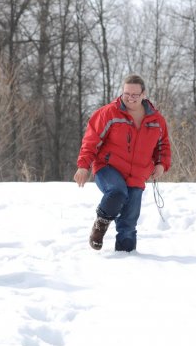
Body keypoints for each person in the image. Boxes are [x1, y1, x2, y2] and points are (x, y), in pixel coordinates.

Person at [73, 75, 171, 252]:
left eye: (135, 94)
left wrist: (161, 164)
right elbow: (91, 140)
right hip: (108, 168)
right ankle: (100, 225)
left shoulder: (157, 121)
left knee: (128, 223)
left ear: (144, 94)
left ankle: (126, 259)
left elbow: (163, 146)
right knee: (117, 192)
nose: (130, 98)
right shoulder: (108, 113)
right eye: (127, 93)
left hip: (137, 174)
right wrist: (83, 165)